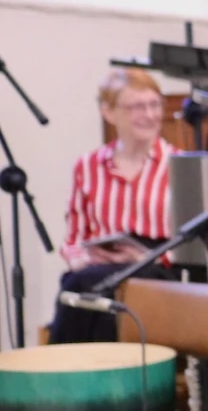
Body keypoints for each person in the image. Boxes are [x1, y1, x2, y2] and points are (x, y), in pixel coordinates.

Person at [51, 68, 172, 344]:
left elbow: (190, 245)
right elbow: (75, 238)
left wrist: (144, 257)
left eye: (154, 105)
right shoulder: (87, 166)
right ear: (109, 112)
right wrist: (81, 258)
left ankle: (66, 375)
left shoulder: (179, 164)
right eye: (137, 107)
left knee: (80, 288)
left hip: (157, 268)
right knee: (81, 285)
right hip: (99, 268)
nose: (150, 115)